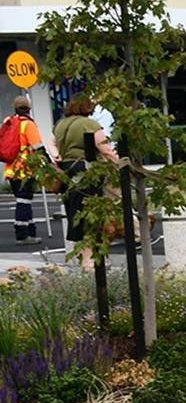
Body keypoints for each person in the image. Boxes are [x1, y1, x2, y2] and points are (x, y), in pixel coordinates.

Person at [50, 96, 120, 271]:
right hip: (86, 171)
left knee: (75, 213)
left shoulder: (60, 124)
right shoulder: (89, 124)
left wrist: (57, 155)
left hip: (66, 172)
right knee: (90, 215)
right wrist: (122, 164)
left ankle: (85, 258)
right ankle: (90, 261)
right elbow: (105, 149)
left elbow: (52, 143)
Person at [2, 95, 48, 245]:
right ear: (28, 108)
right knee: (24, 202)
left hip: (11, 170)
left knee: (24, 201)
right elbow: (37, 147)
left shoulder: (9, 122)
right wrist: (48, 162)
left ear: (15, 108)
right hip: (25, 170)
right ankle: (22, 235)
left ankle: (30, 231)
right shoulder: (28, 124)